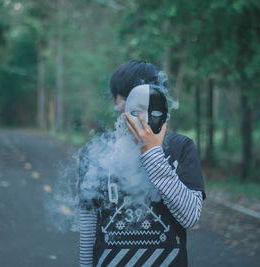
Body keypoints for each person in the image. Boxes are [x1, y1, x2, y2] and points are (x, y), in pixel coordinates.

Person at [79, 60, 205, 267]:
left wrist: (152, 153)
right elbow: (88, 225)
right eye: (130, 98)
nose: (141, 112)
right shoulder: (94, 152)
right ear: (115, 101)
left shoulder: (181, 147)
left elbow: (190, 218)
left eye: (150, 98)